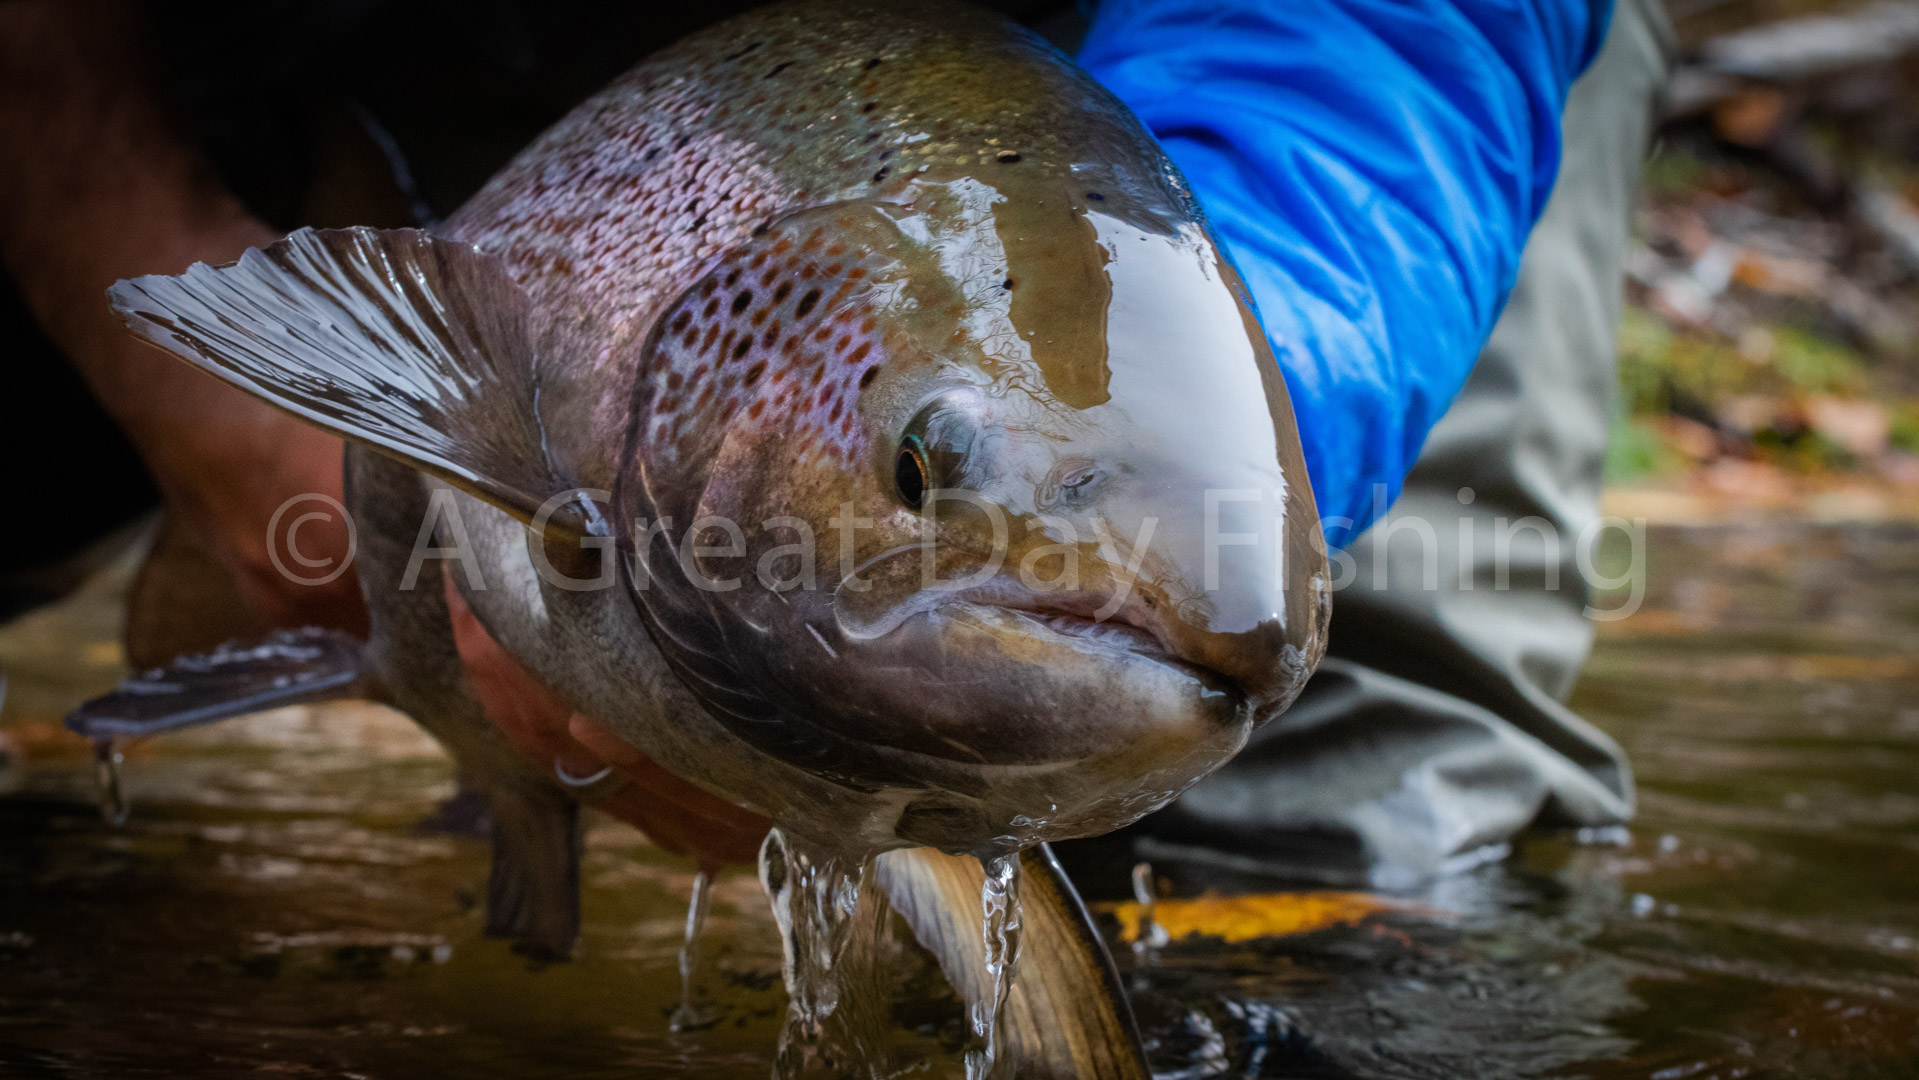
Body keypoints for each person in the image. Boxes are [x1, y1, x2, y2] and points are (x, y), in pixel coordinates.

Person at [0, 0, 1673, 888]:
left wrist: (1249, 420)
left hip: (1179, 98)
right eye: (935, 470)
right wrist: (221, 425)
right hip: (240, 52)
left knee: (1387, 849)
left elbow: (1380, 38)